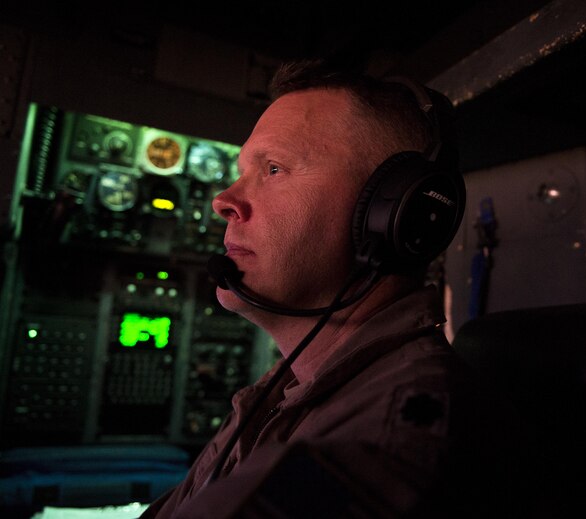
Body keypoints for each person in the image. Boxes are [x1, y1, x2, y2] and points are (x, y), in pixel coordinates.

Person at [140, 59, 525, 518]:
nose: (224, 200)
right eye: (242, 171)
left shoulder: (382, 443)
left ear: (391, 213)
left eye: (275, 169)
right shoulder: (284, 393)